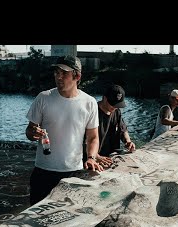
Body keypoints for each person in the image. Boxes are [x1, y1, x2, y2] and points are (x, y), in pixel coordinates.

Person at [25, 55, 103, 206]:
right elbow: (29, 131)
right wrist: (33, 133)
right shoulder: (43, 98)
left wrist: (92, 157)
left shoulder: (90, 103)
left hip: (74, 172)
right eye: (56, 72)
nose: (58, 77)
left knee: (69, 220)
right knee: (36, 222)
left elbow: (93, 137)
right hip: (43, 171)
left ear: (77, 76)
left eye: (64, 73)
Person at [84, 84, 136, 169]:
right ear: (104, 98)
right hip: (94, 158)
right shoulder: (92, 112)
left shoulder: (116, 112)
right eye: (113, 104)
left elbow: (123, 129)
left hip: (111, 156)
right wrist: (95, 156)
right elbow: (86, 140)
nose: (115, 107)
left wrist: (128, 142)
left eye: (117, 105)